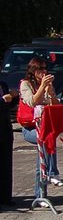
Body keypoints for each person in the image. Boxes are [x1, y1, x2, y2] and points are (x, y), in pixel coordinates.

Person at [18, 56, 61, 193]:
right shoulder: (26, 84)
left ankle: (41, 194)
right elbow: (32, 102)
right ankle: (52, 172)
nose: (43, 71)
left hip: (46, 126)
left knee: (41, 161)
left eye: (45, 68)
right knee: (45, 139)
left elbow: (55, 105)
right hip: (30, 127)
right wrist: (42, 86)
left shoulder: (47, 84)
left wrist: (50, 92)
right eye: (40, 68)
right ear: (33, 70)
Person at [0, 77, 15, 205]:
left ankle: (6, 197)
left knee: (6, 164)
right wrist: (2, 100)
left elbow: (8, 105)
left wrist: (13, 98)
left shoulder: (3, 84)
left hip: (5, 128)